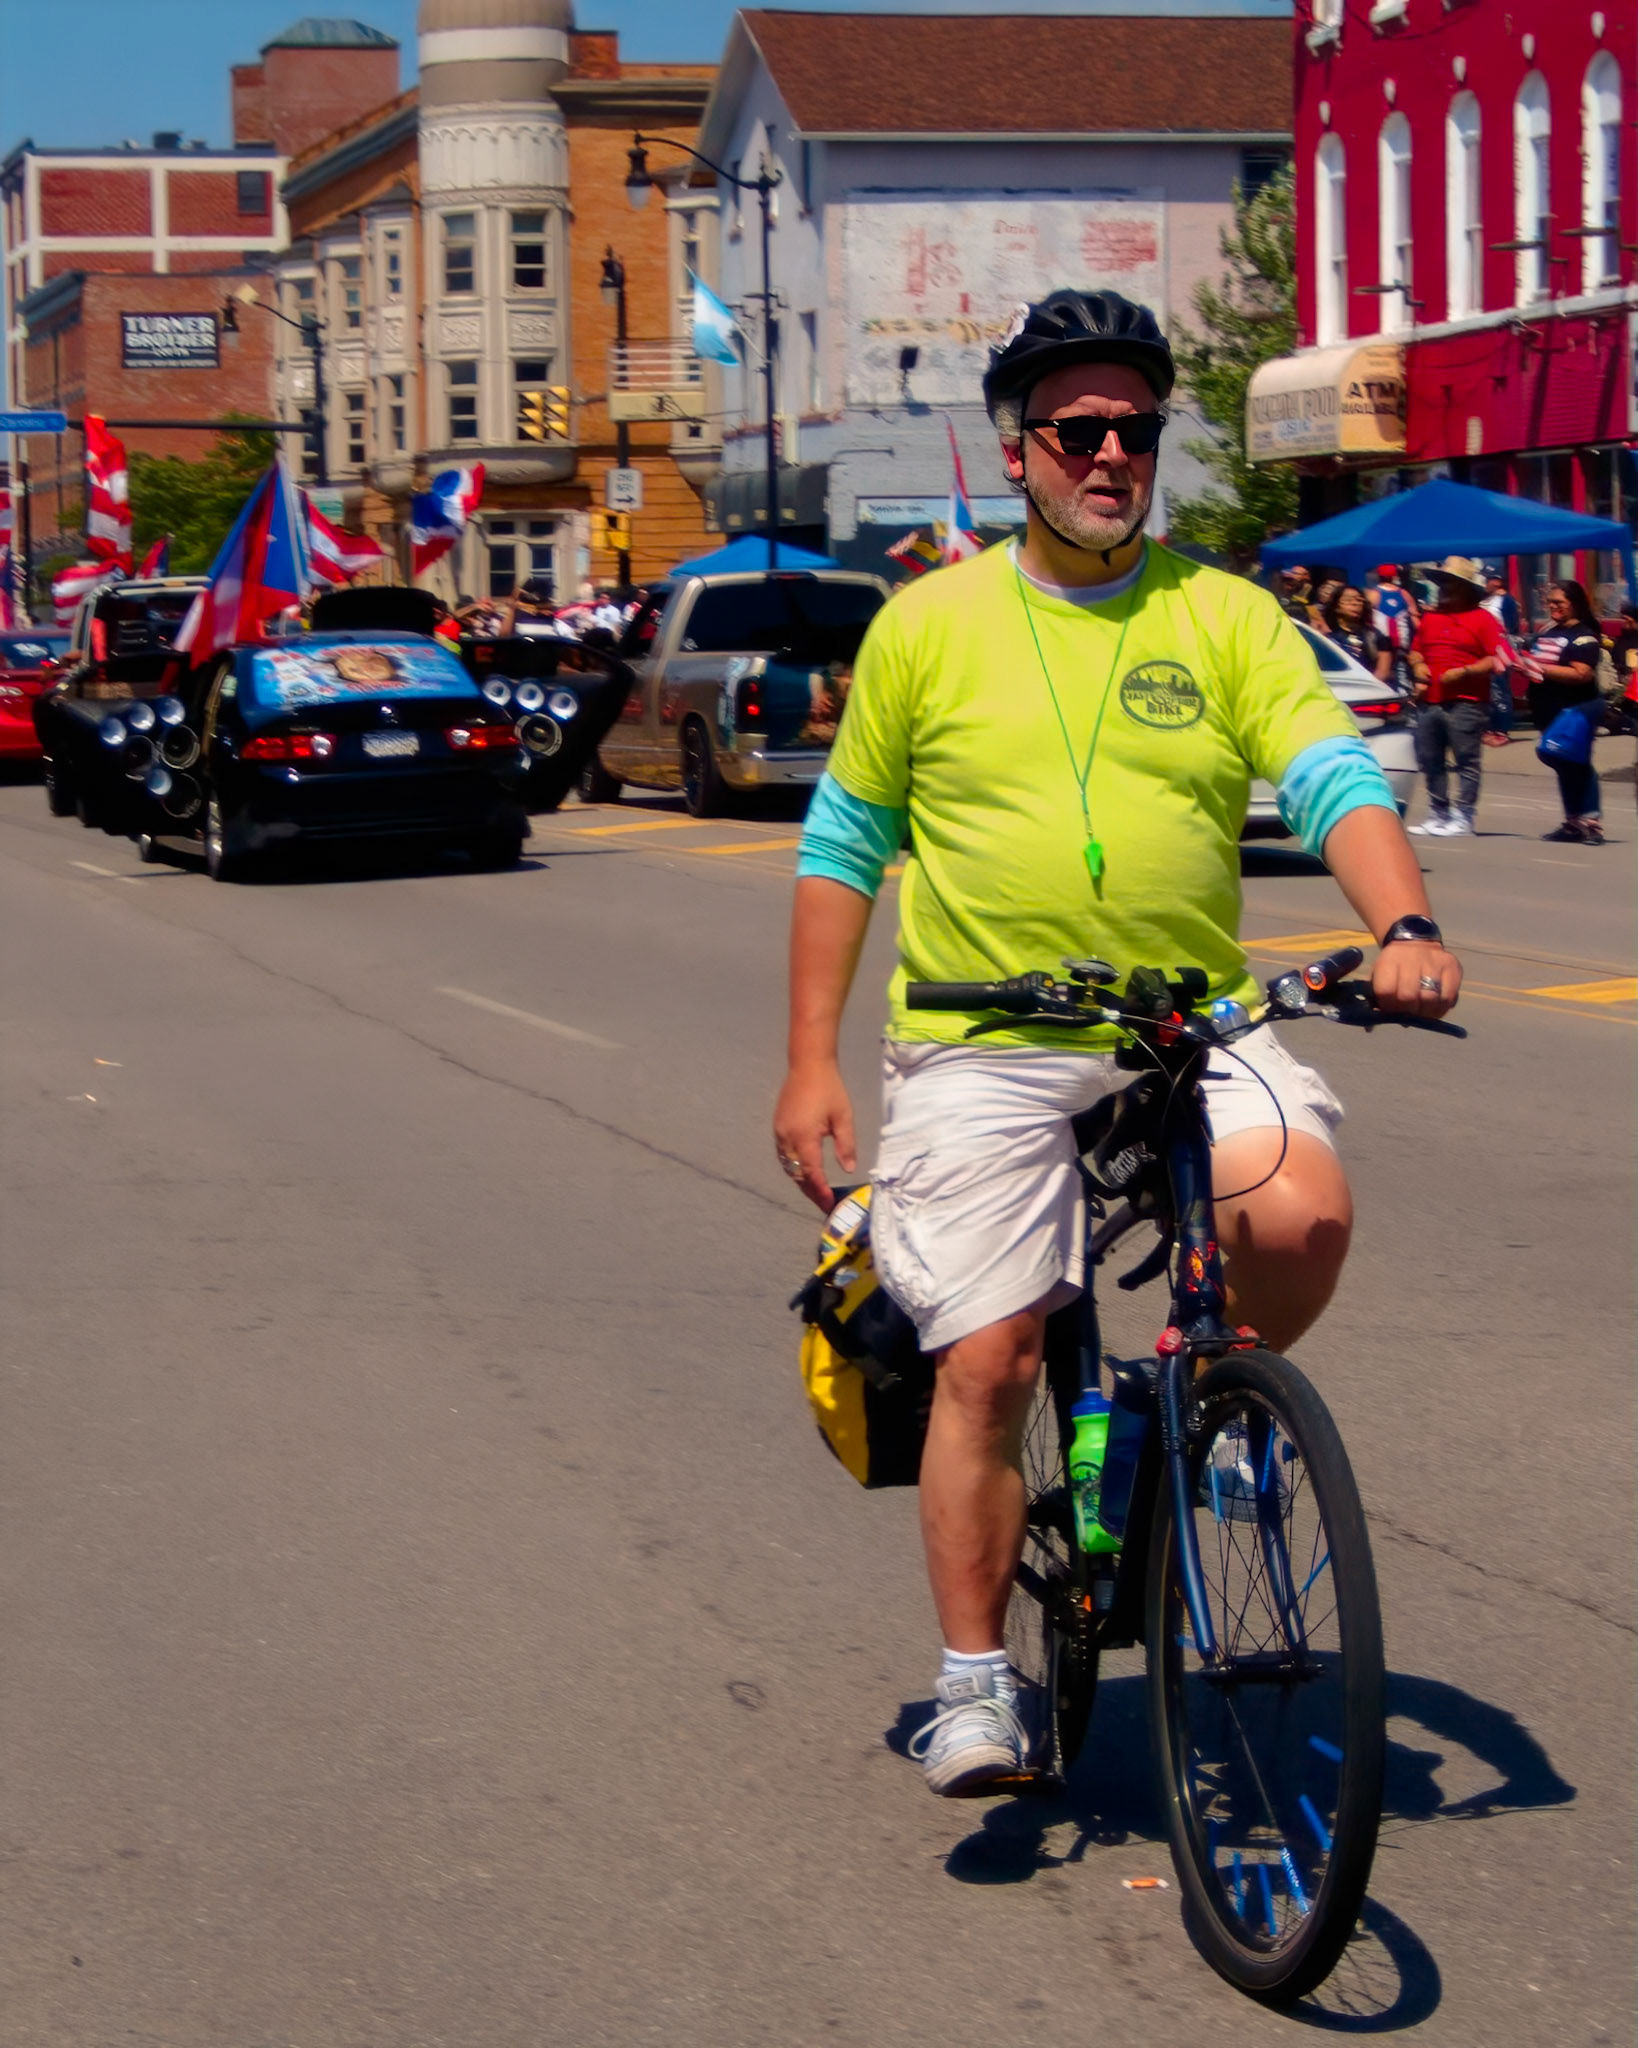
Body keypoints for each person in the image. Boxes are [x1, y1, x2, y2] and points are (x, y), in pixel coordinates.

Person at [773, 288, 1462, 1798]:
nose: (1109, 455)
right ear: (1017, 450)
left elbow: (1330, 770)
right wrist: (811, 1057)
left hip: (1185, 1021)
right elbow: (841, 844)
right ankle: (972, 1683)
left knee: (1302, 1208)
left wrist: (1402, 924)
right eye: (1078, 430)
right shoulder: (926, 625)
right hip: (981, 1036)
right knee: (990, 1358)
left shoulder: (1218, 616)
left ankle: (1204, 1396)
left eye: (1134, 431)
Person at [1406, 556, 1509, 837]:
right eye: (1442, 583)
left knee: (1466, 759)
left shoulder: (1483, 619)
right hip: (1431, 699)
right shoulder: (1431, 617)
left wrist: (1465, 671)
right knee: (1431, 758)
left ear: (1466, 587)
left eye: (1450, 583)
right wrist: (1418, 665)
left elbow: (1498, 658)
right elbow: (1415, 650)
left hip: (1467, 700)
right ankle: (1438, 813)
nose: (1444, 588)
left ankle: (1464, 817)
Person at [1517, 580, 1607, 844]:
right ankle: (1572, 824)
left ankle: (1591, 825)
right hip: (1549, 708)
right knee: (1565, 765)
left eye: (1559, 602)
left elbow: (1582, 674)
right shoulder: (1548, 631)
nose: (1553, 607)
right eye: (1550, 602)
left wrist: (1536, 666)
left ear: (1575, 604)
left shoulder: (1584, 635)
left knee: (1574, 762)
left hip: (1577, 709)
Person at [1479, 567, 1522, 746]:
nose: (1486, 583)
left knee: (1500, 690)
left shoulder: (1506, 601)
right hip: (1482, 652)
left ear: (1497, 582)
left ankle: (1502, 729)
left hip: (1499, 651)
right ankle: (1487, 727)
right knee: (1486, 691)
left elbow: (1512, 627)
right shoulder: (1481, 599)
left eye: (1488, 580)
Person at [1321, 584, 1393, 680]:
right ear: (1335, 606)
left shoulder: (1374, 636)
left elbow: (1383, 671)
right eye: (1348, 600)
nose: (1356, 603)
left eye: (1359, 600)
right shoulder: (1326, 634)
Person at [1372, 564, 1419, 689]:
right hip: (1402, 641)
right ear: (1395, 576)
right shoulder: (1404, 594)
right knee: (1401, 671)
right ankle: (1402, 693)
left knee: (1381, 670)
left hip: (1381, 641)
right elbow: (1415, 620)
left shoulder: (1373, 594)